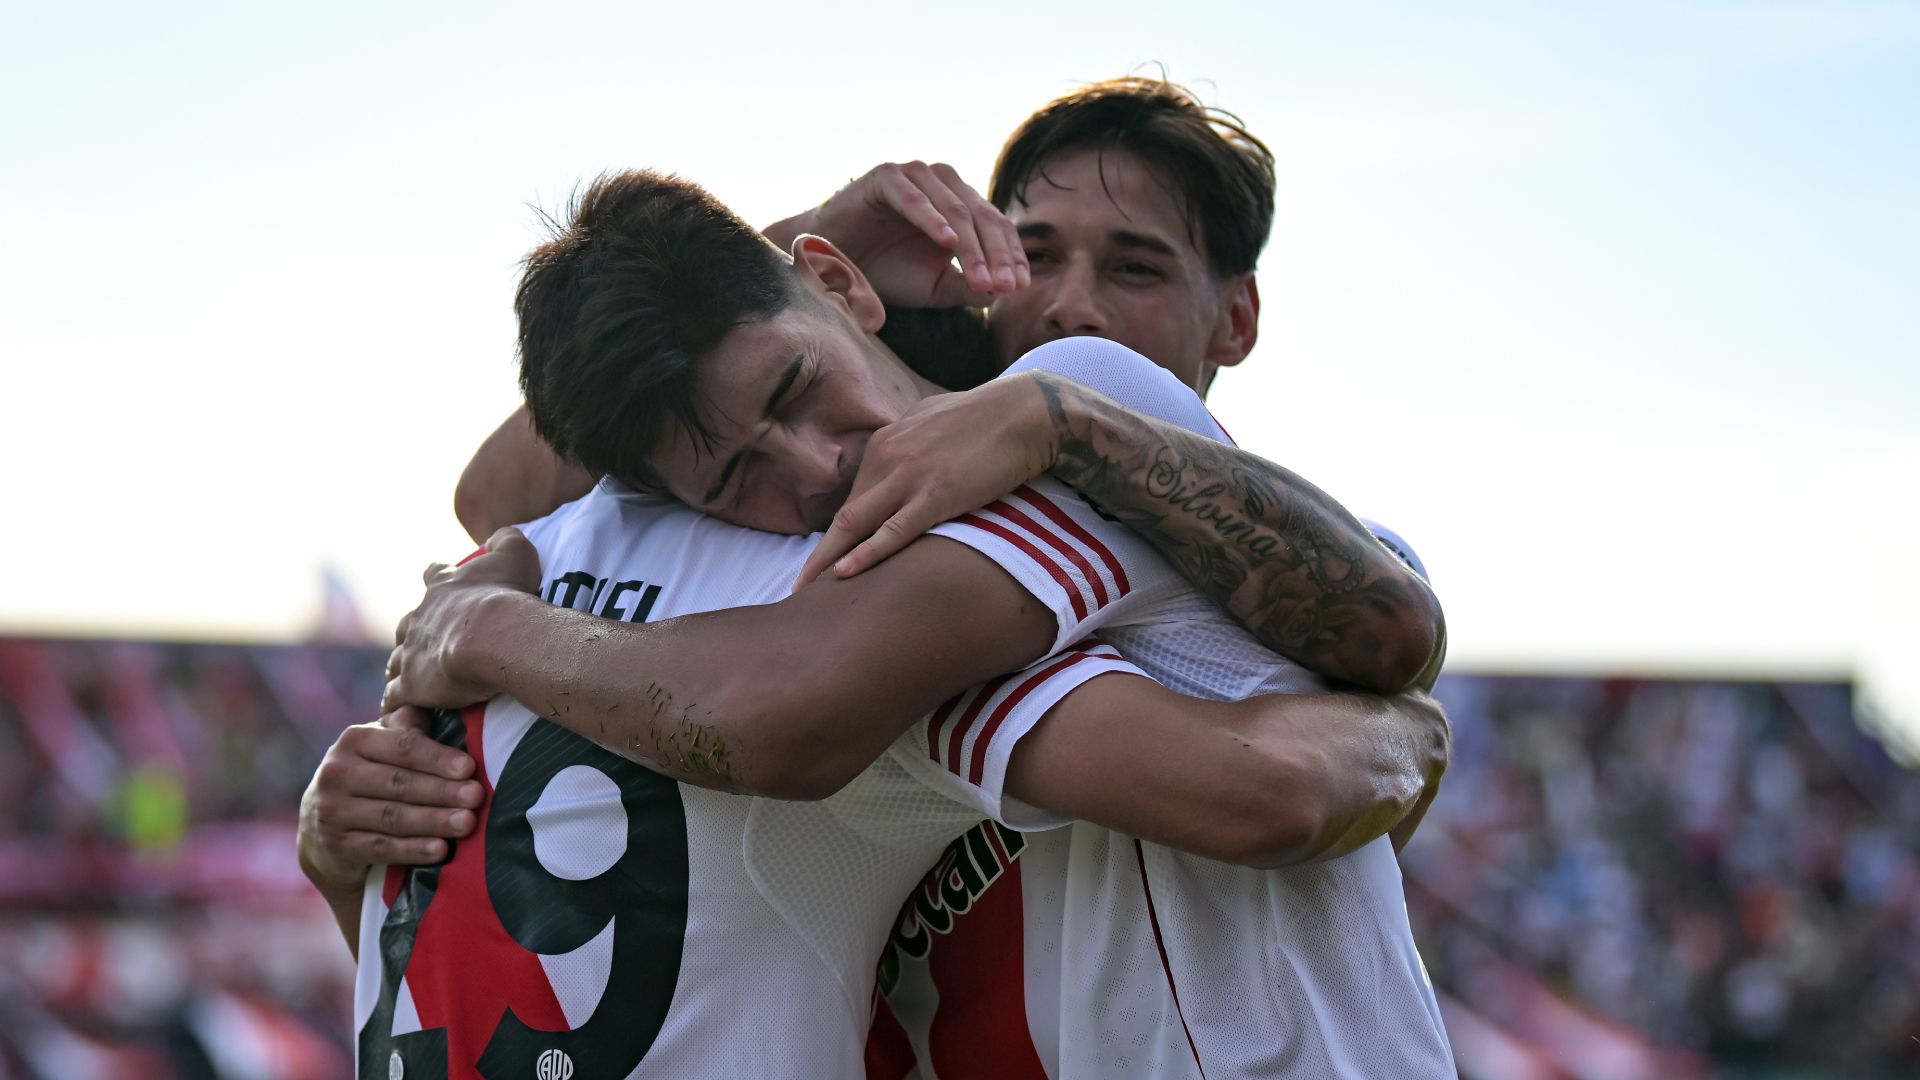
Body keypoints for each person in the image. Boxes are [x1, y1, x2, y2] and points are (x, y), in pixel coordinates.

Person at [329, 165, 1455, 1076]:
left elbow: (1319, 733)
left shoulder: (1025, 463)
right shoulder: (843, 605)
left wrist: (1400, 731)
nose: (817, 470)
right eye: (734, 481)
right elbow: (1279, 785)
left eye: (795, 388)